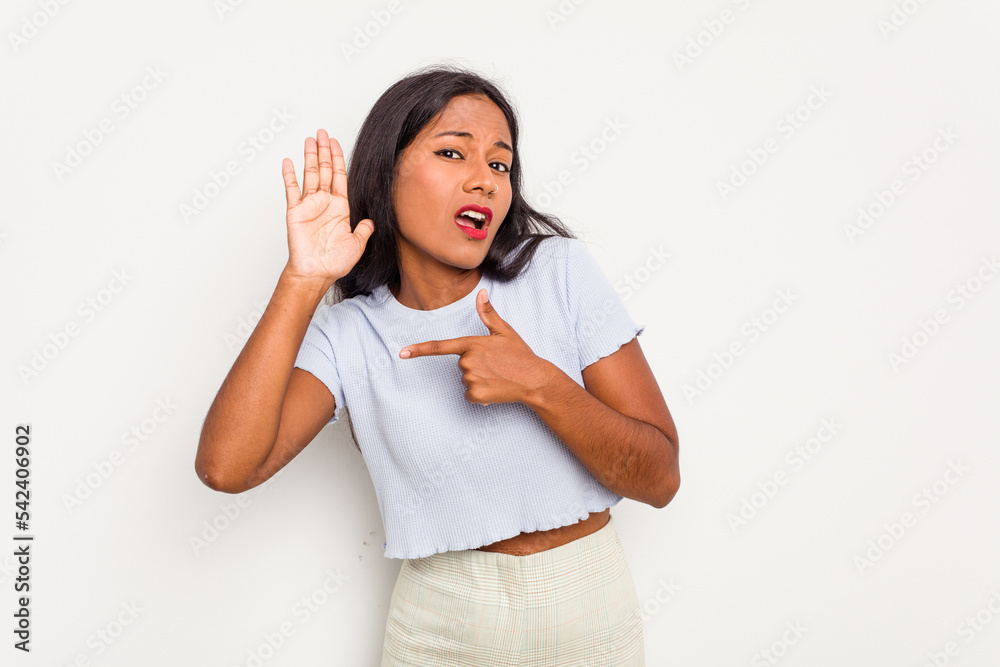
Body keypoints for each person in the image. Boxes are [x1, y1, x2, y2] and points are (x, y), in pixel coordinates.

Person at [195, 64, 680, 666]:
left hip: (585, 605)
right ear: (385, 173)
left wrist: (540, 383)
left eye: (500, 165)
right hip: (438, 621)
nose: (485, 181)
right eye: (454, 153)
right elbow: (226, 466)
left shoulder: (557, 274)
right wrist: (303, 281)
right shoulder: (351, 332)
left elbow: (659, 478)